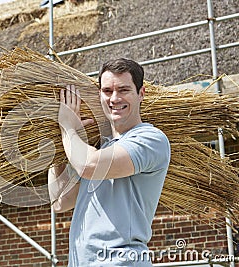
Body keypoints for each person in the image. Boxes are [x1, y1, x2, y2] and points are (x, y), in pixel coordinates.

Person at [48, 58, 170, 266]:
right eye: (107, 91)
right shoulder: (98, 148)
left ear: (141, 94)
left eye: (123, 90)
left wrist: (68, 128)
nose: (114, 98)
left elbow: (90, 166)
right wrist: (60, 148)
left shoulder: (150, 139)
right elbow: (60, 201)